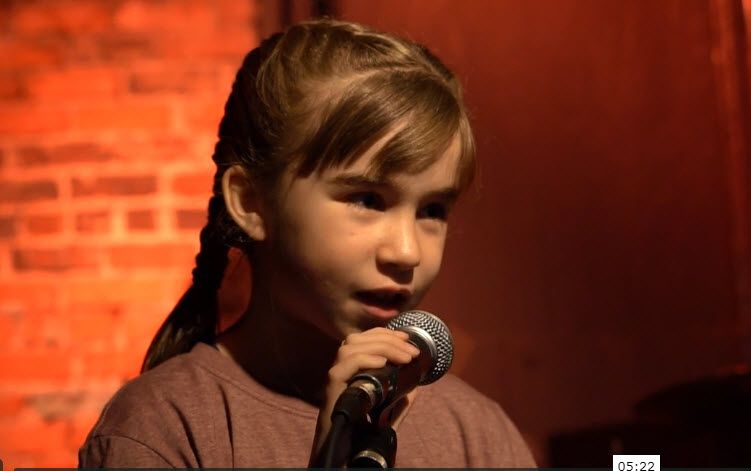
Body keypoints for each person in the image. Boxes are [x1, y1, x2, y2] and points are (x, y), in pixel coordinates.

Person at [78, 18, 536, 468]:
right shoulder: (164, 430)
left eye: (433, 210)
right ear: (252, 202)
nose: (407, 252)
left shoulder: (478, 434)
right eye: (367, 200)